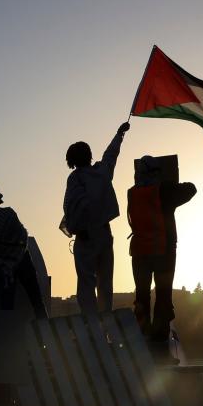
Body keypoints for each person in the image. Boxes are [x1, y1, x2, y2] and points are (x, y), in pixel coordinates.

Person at [62, 122, 130, 315]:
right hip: (104, 234)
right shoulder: (102, 172)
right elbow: (111, 154)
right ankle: (106, 324)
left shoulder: (75, 179)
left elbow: (73, 207)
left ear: (71, 160)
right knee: (105, 283)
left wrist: (77, 227)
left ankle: (91, 325)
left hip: (86, 236)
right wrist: (119, 134)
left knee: (86, 283)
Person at [127, 156, 196, 345]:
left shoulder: (132, 192)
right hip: (162, 250)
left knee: (141, 296)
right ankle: (159, 340)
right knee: (163, 295)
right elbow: (191, 189)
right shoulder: (164, 190)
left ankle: (141, 336)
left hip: (140, 252)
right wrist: (169, 180)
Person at [0, 180, 47, 318]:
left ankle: (8, 334)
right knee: (37, 301)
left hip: (4, 268)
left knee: (6, 307)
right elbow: (22, 234)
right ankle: (48, 332)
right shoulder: (9, 213)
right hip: (23, 259)